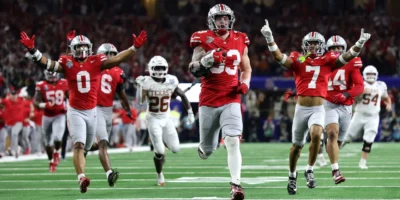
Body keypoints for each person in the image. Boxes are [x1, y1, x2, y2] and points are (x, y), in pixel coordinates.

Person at [20, 30, 147, 193]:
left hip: (92, 111)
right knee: (79, 145)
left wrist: (134, 48)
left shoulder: (96, 60)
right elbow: (47, 64)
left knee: (87, 146)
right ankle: (81, 178)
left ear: (90, 48)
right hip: (75, 111)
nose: (81, 51)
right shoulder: (67, 62)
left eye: (84, 47)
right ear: (72, 49)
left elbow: (117, 59)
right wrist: (33, 51)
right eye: (78, 48)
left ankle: (89, 165)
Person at [260, 20, 370, 195]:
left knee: (317, 135)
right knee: (296, 146)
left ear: (321, 46)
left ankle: (309, 170)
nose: (312, 47)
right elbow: (280, 57)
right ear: (305, 46)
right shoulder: (299, 58)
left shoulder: (328, 60)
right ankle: (292, 175)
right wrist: (270, 39)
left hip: (319, 108)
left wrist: (359, 43)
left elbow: (346, 57)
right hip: (301, 109)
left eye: (315, 44)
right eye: (309, 44)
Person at [188, 4, 251, 200]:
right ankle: (205, 147)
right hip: (208, 99)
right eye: (219, 18)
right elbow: (194, 68)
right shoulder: (202, 38)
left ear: (230, 19)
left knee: (233, 141)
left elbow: (246, 68)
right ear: (212, 21)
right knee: (208, 149)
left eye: (225, 17)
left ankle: (236, 185)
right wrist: (207, 61)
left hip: (231, 98)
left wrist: (245, 84)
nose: (223, 21)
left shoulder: (241, 39)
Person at [136, 55, 195, 187]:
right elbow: (140, 101)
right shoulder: (147, 82)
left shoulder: (171, 80)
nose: (159, 70)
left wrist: (190, 112)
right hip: (153, 119)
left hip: (166, 118)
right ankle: (159, 175)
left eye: (161, 68)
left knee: (176, 149)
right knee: (160, 151)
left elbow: (182, 95)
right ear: (151, 69)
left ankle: (161, 145)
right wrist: (140, 88)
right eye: (156, 68)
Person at [92, 43, 136, 187]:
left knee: (99, 144)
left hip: (107, 110)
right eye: (108, 54)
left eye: (113, 54)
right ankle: (109, 173)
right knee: (103, 143)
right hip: (95, 108)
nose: (111, 57)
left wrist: (128, 110)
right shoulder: (94, 67)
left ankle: (82, 148)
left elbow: (122, 95)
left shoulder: (118, 72)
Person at [323, 35, 364, 184]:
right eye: (333, 48)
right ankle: (336, 171)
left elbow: (360, 86)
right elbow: (303, 64)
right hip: (327, 103)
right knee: (333, 133)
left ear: (345, 49)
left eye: (339, 48)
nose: (336, 51)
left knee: (337, 142)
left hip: (346, 105)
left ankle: (328, 148)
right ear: (327, 50)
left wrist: (346, 94)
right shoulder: (323, 62)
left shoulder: (352, 62)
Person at [343, 65, 391, 169]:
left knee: (369, 139)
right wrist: (360, 93)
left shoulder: (381, 85)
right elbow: (352, 99)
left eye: (372, 74)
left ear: (376, 75)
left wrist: (388, 105)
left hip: (373, 117)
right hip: (359, 114)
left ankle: (363, 162)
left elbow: (386, 98)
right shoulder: (360, 84)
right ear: (364, 75)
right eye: (368, 74)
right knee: (346, 138)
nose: (370, 76)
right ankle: (332, 154)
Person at [33, 70, 68, 172]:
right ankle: (51, 161)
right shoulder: (41, 85)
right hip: (47, 116)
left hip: (59, 115)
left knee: (58, 137)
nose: (52, 78)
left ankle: (57, 152)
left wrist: (68, 107)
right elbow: (36, 102)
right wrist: (44, 105)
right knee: (48, 143)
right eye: (50, 75)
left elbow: (71, 96)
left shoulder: (64, 83)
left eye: (54, 75)